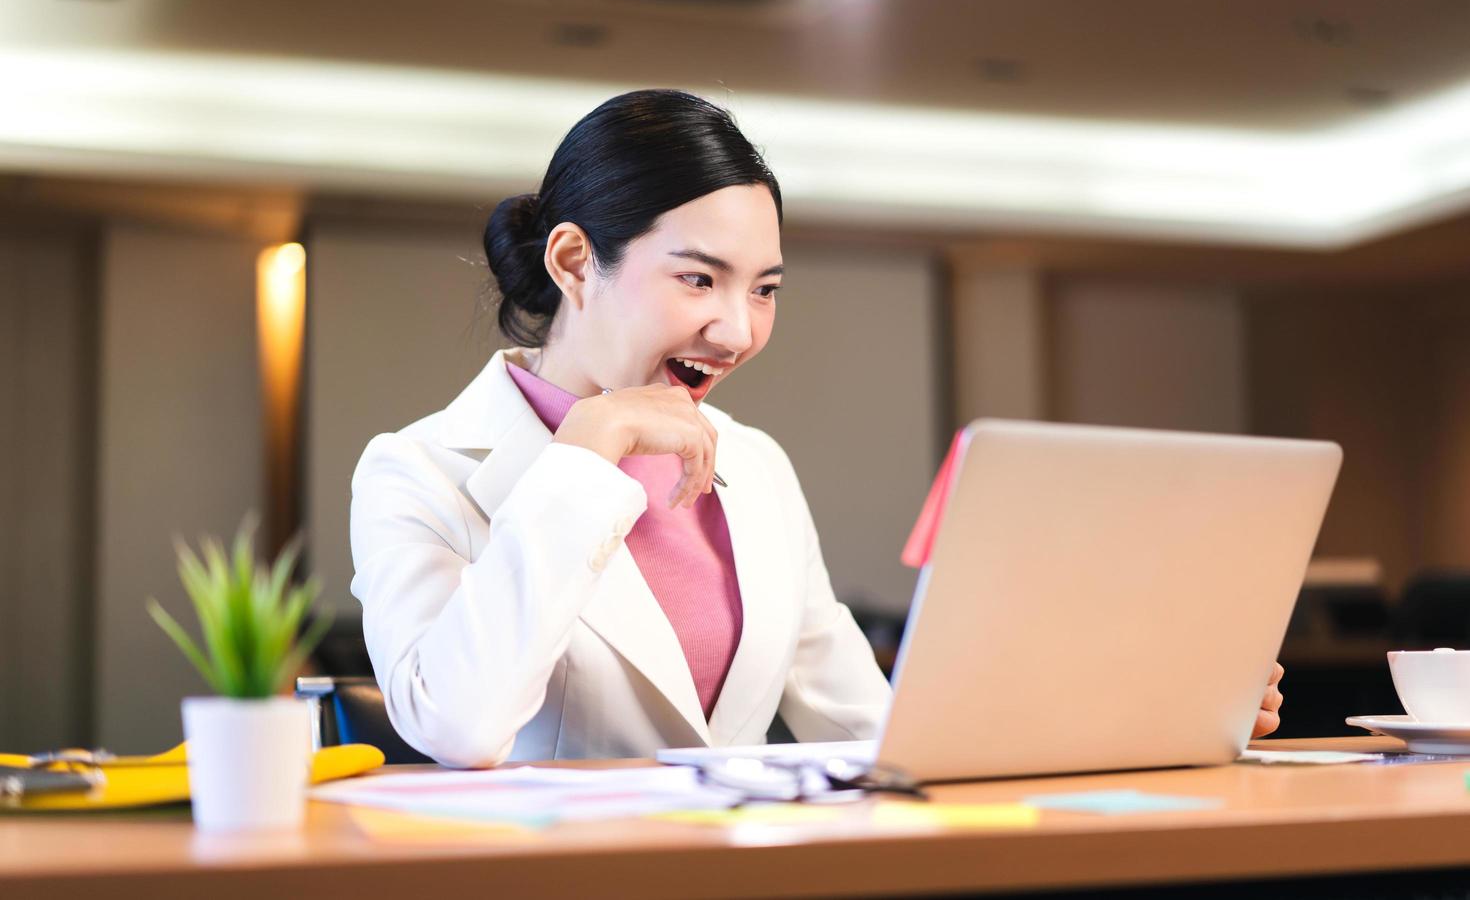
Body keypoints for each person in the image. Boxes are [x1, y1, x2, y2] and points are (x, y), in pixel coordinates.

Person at [349, 89, 1286, 770]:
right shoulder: (415, 471)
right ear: (574, 260)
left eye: (763, 290)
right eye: (696, 279)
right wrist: (586, 449)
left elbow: (880, 738)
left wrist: (1159, 715)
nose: (738, 330)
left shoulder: (755, 466)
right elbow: (461, 727)